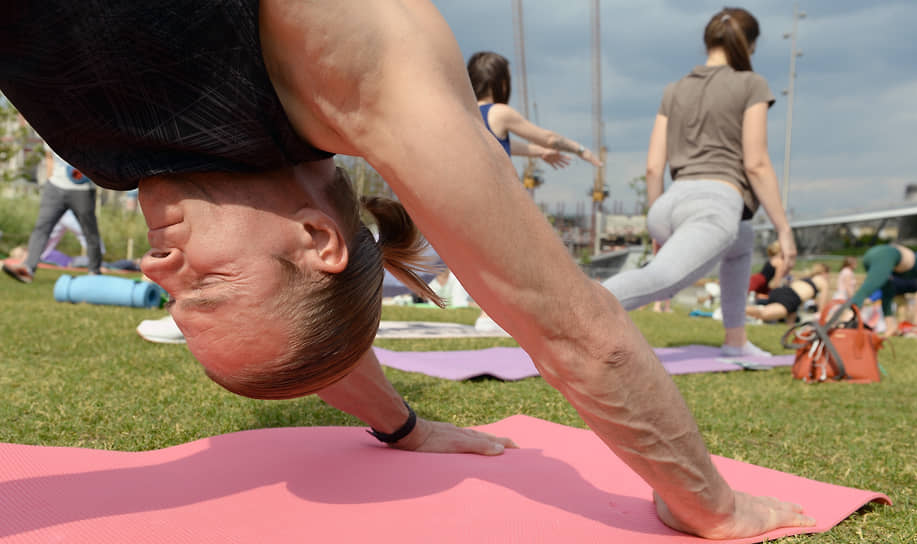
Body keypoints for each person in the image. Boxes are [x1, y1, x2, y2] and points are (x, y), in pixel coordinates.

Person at [1, 1, 813, 537]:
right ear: (320, 238)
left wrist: (401, 424)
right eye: (204, 283)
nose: (158, 264)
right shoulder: (358, 74)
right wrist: (712, 506)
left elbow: (296, 326)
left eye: (174, 293)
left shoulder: (118, 161)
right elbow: (569, 327)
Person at [601, 8, 796, 360]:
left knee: (741, 240)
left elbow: (652, 167)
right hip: (713, 202)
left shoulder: (674, 90)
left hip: (670, 203)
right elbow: (756, 163)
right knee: (663, 279)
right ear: (749, 46)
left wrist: (659, 226)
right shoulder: (751, 84)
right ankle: (570, 316)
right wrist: (784, 229)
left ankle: (736, 340)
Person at [467, 51, 602, 169]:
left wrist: (540, 151)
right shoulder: (499, 112)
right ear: (501, 83)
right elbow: (549, 138)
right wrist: (581, 150)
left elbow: (498, 144)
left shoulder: (466, 112)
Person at [2, 145, 103, 283]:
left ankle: (94, 273)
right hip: (55, 187)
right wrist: (50, 180)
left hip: (83, 188)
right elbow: (49, 157)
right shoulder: (52, 127)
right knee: (41, 228)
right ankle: (28, 269)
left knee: (89, 232)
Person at [834, 244, 917, 337]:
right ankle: (842, 322)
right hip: (885, 256)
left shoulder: (908, 267)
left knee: (887, 293)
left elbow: (888, 295)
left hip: (870, 255)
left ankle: (890, 328)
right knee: (866, 290)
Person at [746, 264, 830, 324]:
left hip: (783, 291)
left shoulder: (808, 279)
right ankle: (737, 309)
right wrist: (821, 315)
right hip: (790, 297)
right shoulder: (822, 281)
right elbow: (822, 305)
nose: (828, 276)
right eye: (827, 273)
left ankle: (790, 335)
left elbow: (795, 304)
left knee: (791, 316)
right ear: (824, 272)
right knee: (763, 313)